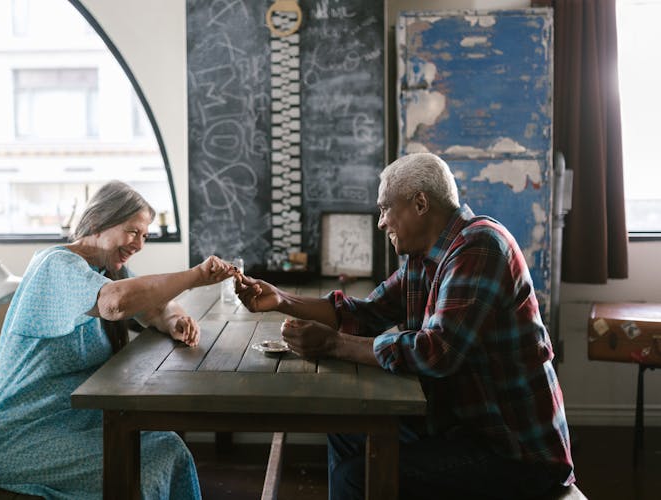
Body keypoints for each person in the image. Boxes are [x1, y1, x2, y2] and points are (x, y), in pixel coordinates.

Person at [236, 153, 575, 499]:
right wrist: (279, 299)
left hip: (514, 452)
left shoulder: (480, 247)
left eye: (385, 208)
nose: (381, 222)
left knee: (357, 477)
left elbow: (436, 352)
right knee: (344, 428)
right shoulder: (424, 257)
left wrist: (332, 344)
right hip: (458, 426)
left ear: (420, 203)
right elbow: (366, 313)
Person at [0, 181, 236, 500]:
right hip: (15, 438)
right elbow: (116, 303)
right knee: (147, 464)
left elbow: (155, 307)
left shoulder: (106, 270)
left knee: (168, 447)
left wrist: (174, 319)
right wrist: (196, 276)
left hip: (74, 421)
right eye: (133, 231)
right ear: (97, 222)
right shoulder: (56, 265)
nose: (139, 244)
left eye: (145, 236)